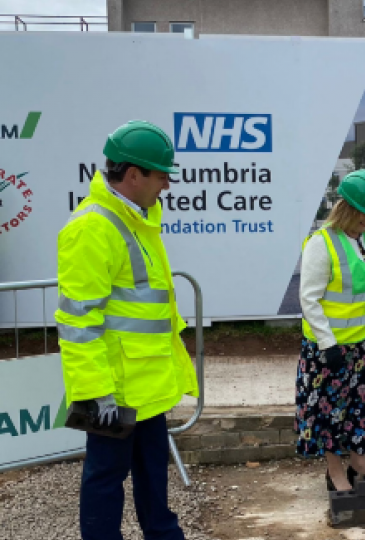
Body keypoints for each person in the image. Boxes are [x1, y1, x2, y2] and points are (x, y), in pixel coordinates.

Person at [55, 120, 199, 540]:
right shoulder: (92, 228)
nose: (166, 186)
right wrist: (96, 390)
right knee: (105, 479)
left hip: (146, 385)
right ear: (133, 175)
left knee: (153, 477)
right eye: (161, 176)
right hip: (113, 391)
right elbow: (78, 320)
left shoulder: (138, 217)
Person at [295, 169, 365, 492]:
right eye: (363, 215)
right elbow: (309, 299)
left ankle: (357, 458)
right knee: (328, 412)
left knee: (361, 409)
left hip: (361, 346)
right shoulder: (321, 244)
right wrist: (327, 343)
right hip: (329, 351)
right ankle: (335, 470)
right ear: (347, 209)